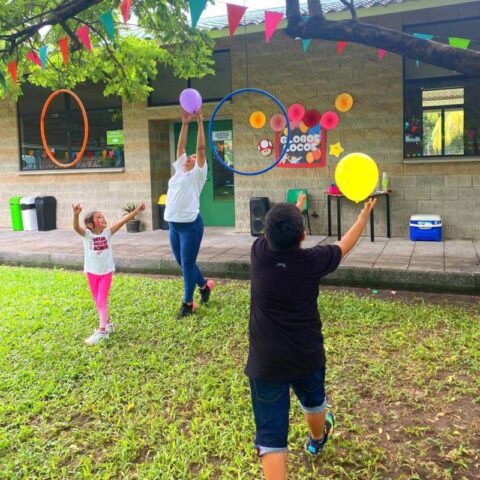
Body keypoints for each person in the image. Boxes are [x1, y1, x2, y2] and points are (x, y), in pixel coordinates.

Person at [246, 192, 377, 480]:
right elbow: (344, 244)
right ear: (303, 235)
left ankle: (314, 439)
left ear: (266, 234)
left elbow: (279, 234)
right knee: (314, 402)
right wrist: (363, 216)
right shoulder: (312, 261)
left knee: (270, 439)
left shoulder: (259, 253)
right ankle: (317, 440)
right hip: (306, 355)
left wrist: (297, 207)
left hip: (265, 363)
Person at [164, 108, 214, 319]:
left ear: (199, 164)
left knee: (186, 264)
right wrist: (185, 123)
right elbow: (181, 147)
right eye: (188, 157)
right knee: (183, 263)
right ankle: (204, 286)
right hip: (173, 226)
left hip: (190, 226)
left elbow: (200, 148)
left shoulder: (198, 175)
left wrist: (200, 122)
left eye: (193, 158)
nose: (189, 157)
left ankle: (187, 303)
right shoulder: (178, 171)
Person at [73, 202, 145, 345]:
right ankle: (108, 325)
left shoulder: (108, 233)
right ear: (91, 225)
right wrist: (76, 215)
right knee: (97, 301)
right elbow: (76, 228)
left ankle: (102, 332)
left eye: (102, 216)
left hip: (106, 273)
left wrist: (137, 210)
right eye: (98, 217)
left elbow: (122, 221)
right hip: (91, 273)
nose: (103, 218)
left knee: (101, 300)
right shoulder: (87, 235)